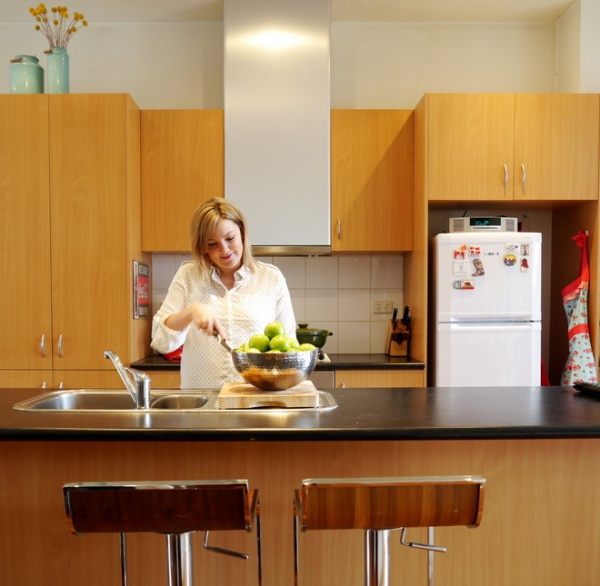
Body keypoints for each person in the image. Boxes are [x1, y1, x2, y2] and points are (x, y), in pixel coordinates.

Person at [151, 197, 297, 389]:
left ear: (242, 232)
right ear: (202, 247)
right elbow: (161, 342)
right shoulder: (188, 276)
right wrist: (192, 311)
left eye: (230, 239)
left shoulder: (271, 278)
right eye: (212, 244)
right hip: (203, 400)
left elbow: (289, 349)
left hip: (254, 398)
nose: (224, 250)